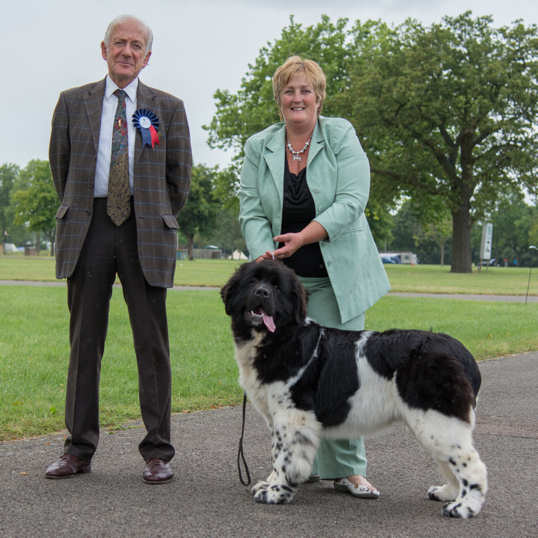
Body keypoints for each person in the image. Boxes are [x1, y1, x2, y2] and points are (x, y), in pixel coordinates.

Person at [46, 15, 192, 484]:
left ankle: (157, 451)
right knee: (84, 341)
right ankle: (78, 448)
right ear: (103, 50)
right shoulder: (72, 104)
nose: (126, 51)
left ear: (147, 57)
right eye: (119, 44)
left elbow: (179, 179)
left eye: (136, 45)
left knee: (152, 346)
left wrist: (150, 213)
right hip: (88, 229)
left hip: (144, 231)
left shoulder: (167, 108)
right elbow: (60, 168)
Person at [238, 56, 390, 498]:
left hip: (337, 276)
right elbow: (249, 208)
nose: (297, 98)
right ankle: (290, 468)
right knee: (284, 380)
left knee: (341, 375)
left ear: (319, 97)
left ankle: (346, 470)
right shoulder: (258, 146)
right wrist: (264, 255)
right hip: (283, 288)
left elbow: (352, 199)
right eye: (289, 91)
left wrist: (303, 236)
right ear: (279, 99)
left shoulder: (340, 134)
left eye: (305, 91)